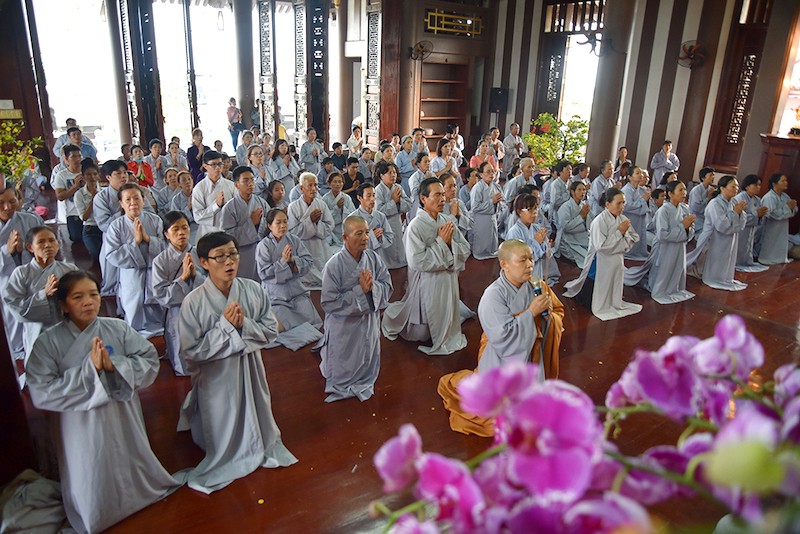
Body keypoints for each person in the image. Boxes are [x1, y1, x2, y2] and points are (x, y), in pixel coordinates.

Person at [26, 271, 182, 533]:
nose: (89, 302)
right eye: (78, 297)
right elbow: (42, 390)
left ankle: (135, 496)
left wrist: (115, 367)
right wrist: (90, 372)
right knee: (89, 465)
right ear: (63, 304)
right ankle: (95, 510)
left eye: (94, 295)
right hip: (78, 423)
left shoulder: (117, 328)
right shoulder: (47, 343)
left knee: (125, 453)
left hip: (121, 412)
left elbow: (148, 360)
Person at [178, 232, 298, 493]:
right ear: (204, 262)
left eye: (233, 254)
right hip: (217, 379)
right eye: (220, 257)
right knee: (223, 426)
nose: (229, 261)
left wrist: (244, 325)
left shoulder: (253, 289)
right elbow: (190, 352)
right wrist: (226, 328)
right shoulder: (193, 302)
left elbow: (271, 330)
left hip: (251, 370)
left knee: (257, 414)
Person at [437, 240, 564, 437]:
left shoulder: (537, 284)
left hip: (533, 354)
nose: (530, 265)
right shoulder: (493, 296)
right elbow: (503, 336)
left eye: (531, 259)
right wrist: (531, 313)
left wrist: (548, 316)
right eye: (523, 260)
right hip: (503, 358)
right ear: (504, 264)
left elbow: (558, 311)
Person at [382, 178, 471, 355]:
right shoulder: (415, 226)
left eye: (443, 195)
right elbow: (417, 261)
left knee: (447, 311)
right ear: (423, 199)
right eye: (437, 195)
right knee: (422, 330)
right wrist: (442, 244)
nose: (442, 199)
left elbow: (465, 247)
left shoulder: (446, 219)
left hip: (448, 277)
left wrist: (448, 246)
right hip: (427, 281)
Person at [317, 215, 392, 402]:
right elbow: (328, 302)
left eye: (367, 232)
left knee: (366, 355)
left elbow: (387, 285)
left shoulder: (373, 258)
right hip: (344, 327)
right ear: (345, 237)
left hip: (368, 321)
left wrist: (373, 288)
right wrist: (360, 291)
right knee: (345, 363)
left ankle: (364, 375)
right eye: (359, 234)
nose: (366, 238)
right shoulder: (333, 265)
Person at [563, 187, 642, 320]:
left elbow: (634, 237)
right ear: (607, 204)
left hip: (617, 259)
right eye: (618, 203)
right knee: (596, 286)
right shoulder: (599, 221)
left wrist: (623, 240)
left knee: (614, 283)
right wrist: (619, 234)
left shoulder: (622, 218)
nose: (622, 206)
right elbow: (601, 247)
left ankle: (612, 301)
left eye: (623, 203)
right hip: (601, 260)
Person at [3, 226, 78, 361]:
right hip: (37, 332)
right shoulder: (21, 273)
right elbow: (16, 307)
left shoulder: (70, 269)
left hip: (67, 330)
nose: (47, 245)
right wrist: (44, 295)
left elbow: (81, 299)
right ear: (30, 247)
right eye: (41, 242)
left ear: (58, 244)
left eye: (51, 240)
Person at [105, 184, 166, 337]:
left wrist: (148, 239)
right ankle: (134, 338)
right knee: (134, 305)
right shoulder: (116, 226)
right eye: (128, 199)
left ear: (143, 200)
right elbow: (112, 254)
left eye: (137, 198)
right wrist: (135, 243)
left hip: (155, 271)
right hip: (131, 274)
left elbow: (166, 246)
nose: (133, 203)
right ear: (121, 203)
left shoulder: (155, 220)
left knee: (158, 305)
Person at [150, 211, 205, 376]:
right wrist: (183, 279)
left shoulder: (199, 254)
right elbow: (160, 294)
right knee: (180, 345)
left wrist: (195, 276)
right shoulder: (160, 261)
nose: (181, 233)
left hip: (200, 307)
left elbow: (211, 282)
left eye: (185, 228)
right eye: (175, 229)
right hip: (176, 310)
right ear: (166, 234)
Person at [624, 180, 696, 304]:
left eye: (685, 189)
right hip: (664, 247)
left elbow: (690, 230)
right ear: (670, 194)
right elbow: (663, 234)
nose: (684, 193)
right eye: (681, 190)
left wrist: (687, 228)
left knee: (675, 269)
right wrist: (682, 227)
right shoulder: (664, 210)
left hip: (678, 247)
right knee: (660, 273)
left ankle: (673, 288)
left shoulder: (684, 208)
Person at [256, 208, 322, 331]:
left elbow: (308, 261)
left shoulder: (294, 240)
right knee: (286, 328)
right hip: (276, 294)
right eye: (278, 222)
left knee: (313, 323)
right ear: (269, 225)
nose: (283, 226)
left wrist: (293, 261)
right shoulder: (263, 245)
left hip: (296, 290)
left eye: (285, 222)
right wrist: (283, 262)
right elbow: (263, 273)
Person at [0, 186, 44, 360]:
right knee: (12, 318)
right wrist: (7, 251)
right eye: (1, 203)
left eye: (12, 201)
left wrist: (27, 251)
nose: (7, 208)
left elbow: (46, 244)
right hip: (4, 280)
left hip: (32, 277)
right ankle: (17, 351)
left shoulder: (31, 220)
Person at [686, 176, 748, 291]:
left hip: (729, 238)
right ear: (722, 188)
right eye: (733, 186)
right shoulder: (715, 203)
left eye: (737, 187)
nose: (736, 189)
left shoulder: (734, 201)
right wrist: (735, 213)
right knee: (708, 264)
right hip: (713, 238)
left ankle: (722, 276)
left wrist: (739, 214)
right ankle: (710, 275)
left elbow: (742, 221)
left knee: (726, 259)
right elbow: (721, 225)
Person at [287, 172, 334, 288]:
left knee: (323, 276)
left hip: (319, 246)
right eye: (310, 185)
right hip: (303, 247)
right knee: (305, 279)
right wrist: (310, 221)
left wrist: (317, 223)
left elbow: (330, 225)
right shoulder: (293, 207)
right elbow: (292, 232)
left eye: (316, 185)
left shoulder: (321, 204)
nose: (314, 189)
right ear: (301, 188)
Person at [220, 167, 268, 280]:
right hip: (241, 253)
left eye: (252, 180)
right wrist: (251, 223)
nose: (250, 184)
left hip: (262, 250)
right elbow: (227, 236)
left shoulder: (261, 202)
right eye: (246, 181)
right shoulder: (229, 208)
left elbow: (270, 226)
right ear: (236, 185)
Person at [506, 193, 559, 286]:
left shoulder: (537, 228)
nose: (534, 213)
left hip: (537, 272)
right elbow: (520, 259)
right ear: (519, 212)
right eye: (529, 209)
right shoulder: (514, 232)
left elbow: (546, 253)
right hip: (521, 275)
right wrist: (536, 243)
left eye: (535, 208)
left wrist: (545, 244)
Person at [374, 161, 411, 269]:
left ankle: (399, 261)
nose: (393, 175)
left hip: (396, 222)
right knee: (387, 247)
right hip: (384, 224)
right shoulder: (378, 190)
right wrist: (394, 202)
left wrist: (399, 201)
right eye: (389, 173)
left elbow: (408, 204)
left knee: (398, 245)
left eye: (394, 172)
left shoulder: (398, 187)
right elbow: (379, 211)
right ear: (382, 175)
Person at [192, 150, 236, 239]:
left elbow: (238, 210)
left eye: (220, 164)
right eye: (213, 164)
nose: (217, 168)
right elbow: (198, 217)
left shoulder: (231, 185)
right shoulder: (199, 188)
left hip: (229, 232)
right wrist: (216, 206)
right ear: (205, 166)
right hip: (208, 233)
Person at [759, 173, 798, 265]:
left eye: (786, 180)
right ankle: (766, 258)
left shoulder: (785, 196)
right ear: (774, 183)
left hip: (783, 226)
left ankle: (780, 258)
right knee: (770, 243)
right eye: (783, 181)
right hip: (771, 227)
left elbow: (794, 209)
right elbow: (773, 214)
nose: (786, 183)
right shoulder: (769, 197)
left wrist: (792, 207)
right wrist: (787, 208)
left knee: (781, 242)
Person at [734, 174, 770, 272]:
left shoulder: (757, 200)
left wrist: (761, 215)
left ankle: (745, 260)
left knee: (747, 246)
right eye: (755, 185)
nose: (758, 187)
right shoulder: (739, 198)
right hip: (741, 229)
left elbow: (759, 217)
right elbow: (738, 216)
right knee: (739, 246)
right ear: (747, 186)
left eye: (759, 185)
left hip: (751, 229)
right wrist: (756, 215)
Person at [470, 161, 504, 259]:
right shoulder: (477, 188)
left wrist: (499, 202)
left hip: (492, 217)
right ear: (481, 174)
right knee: (481, 239)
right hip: (481, 219)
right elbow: (475, 207)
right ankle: (480, 253)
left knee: (492, 237)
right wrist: (491, 201)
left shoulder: (496, 186)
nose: (491, 174)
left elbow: (503, 201)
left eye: (493, 171)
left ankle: (491, 251)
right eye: (488, 172)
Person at [53, 144, 85, 243]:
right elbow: (60, 196)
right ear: (66, 159)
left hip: (90, 209)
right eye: (73, 156)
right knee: (76, 238)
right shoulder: (61, 175)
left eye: (79, 156)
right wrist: (75, 186)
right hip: (73, 212)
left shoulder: (87, 172)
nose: (77, 159)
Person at [354, 182, 393, 263]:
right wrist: (372, 236)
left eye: (374, 195)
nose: (372, 199)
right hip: (361, 259)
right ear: (359, 198)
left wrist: (380, 237)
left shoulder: (380, 216)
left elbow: (389, 238)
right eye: (368, 196)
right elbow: (352, 243)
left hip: (379, 256)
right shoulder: (353, 218)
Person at [555, 180, 590, 268]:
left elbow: (590, 223)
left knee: (597, 253)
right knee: (587, 260)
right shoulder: (566, 207)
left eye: (584, 190)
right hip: (568, 241)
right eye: (579, 190)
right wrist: (581, 216)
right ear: (572, 192)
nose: (582, 192)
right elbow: (565, 227)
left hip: (582, 237)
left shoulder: (584, 205)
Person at [74, 158, 102, 263]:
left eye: (95, 174)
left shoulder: (104, 192)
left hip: (104, 228)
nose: (92, 177)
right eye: (88, 174)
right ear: (83, 176)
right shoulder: (79, 194)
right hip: (90, 229)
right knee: (98, 255)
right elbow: (84, 217)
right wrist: (93, 200)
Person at [621, 166, 651, 260]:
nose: (641, 175)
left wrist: (644, 202)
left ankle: (639, 251)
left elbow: (647, 205)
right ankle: (630, 252)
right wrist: (642, 201)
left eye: (641, 173)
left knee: (640, 234)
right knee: (631, 236)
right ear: (630, 177)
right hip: (630, 217)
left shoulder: (642, 189)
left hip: (640, 217)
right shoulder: (626, 190)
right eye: (637, 173)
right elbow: (627, 206)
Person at [321, 171, 355, 249]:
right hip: (330, 231)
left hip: (343, 229)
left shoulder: (346, 198)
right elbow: (324, 219)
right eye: (335, 182)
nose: (338, 184)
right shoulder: (325, 199)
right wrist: (336, 208)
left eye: (340, 182)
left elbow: (352, 215)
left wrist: (343, 209)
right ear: (329, 184)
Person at [441, 173, 473, 238]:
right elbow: (443, 229)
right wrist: (452, 215)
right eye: (449, 187)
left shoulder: (459, 203)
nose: (453, 189)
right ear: (441, 188)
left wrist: (459, 215)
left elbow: (470, 224)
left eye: (455, 186)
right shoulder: (439, 206)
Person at [170, 171, 198, 242]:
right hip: (186, 229)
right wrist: (188, 208)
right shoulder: (176, 199)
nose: (187, 182)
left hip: (201, 226)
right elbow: (175, 219)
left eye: (189, 179)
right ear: (179, 184)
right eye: (184, 180)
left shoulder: (199, 194)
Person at [689, 167, 715, 235]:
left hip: (706, 217)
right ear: (703, 178)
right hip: (696, 218)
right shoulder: (696, 190)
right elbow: (696, 208)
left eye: (713, 175)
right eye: (710, 175)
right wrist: (708, 197)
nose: (713, 177)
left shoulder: (712, 189)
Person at [547, 160, 573, 228]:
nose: (569, 171)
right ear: (560, 171)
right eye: (567, 169)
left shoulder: (570, 182)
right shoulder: (556, 184)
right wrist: (568, 192)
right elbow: (556, 201)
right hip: (557, 216)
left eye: (570, 169)